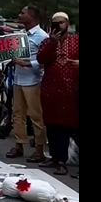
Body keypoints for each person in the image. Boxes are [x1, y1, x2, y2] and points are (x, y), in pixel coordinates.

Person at [37, 11, 79, 176]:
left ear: (67, 24)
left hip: (70, 90)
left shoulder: (76, 40)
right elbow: (41, 59)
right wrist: (52, 43)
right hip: (49, 90)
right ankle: (54, 157)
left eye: (61, 23)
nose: (59, 26)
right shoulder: (47, 42)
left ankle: (62, 161)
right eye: (55, 23)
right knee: (51, 124)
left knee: (64, 126)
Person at [6, 5, 49, 162]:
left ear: (31, 16)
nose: (19, 14)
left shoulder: (42, 36)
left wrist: (27, 63)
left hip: (33, 81)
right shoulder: (21, 35)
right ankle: (19, 144)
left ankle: (39, 149)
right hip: (18, 80)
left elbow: (45, 60)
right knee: (17, 115)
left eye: (22, 13)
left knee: (36, 117)